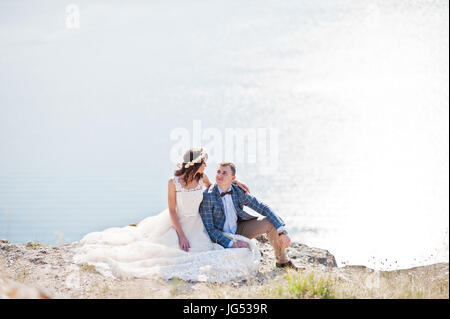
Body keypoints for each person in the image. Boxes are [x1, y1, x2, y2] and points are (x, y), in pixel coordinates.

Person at [71, 148, 261, 282]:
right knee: (170, 252)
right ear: (196, 164)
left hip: (197, 223)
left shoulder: (201, 177)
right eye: (204, 162)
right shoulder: (174, 182)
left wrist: (236, 182)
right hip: (177, 222)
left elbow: (216, 187)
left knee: (205, 250)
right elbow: (171, 210)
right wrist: (181, 235)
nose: (206, 165)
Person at [199, 162, 298, 270]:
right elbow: (210, 229)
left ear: (233, 178)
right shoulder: (208, 196)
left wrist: (282, 231)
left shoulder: (238, 191)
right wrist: (232, 243)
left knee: (270, 221)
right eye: (218, 172)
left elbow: (263, 207)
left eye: (224, 173)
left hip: (239, 230)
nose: (219, 175)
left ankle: (282, 262)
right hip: (221, 236)